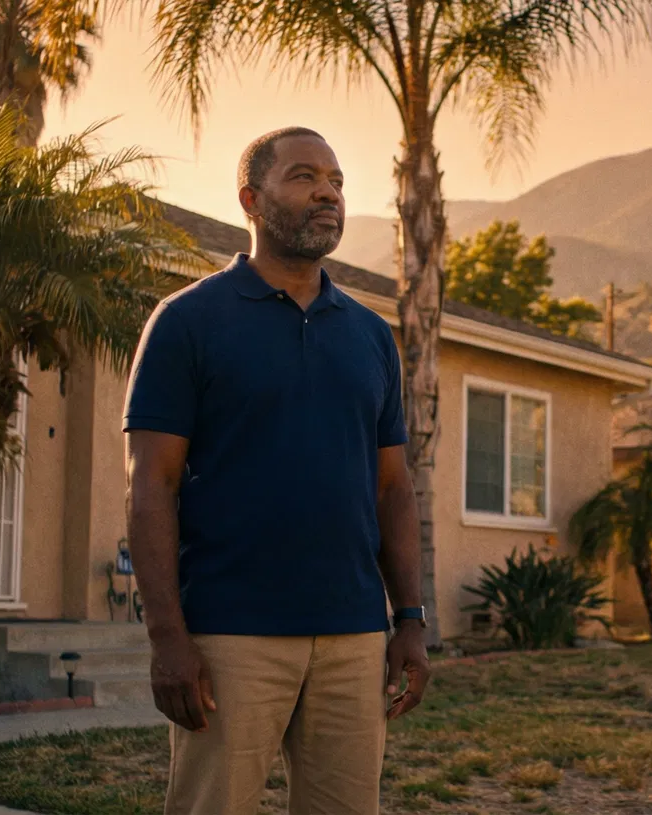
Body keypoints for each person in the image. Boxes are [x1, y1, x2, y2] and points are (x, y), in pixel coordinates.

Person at [124, 126, 431, 815]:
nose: (327, 190)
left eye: (337, 180)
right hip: (231, 633)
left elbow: (392, 489)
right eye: (303, 176)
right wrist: (167, 637)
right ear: (251, 200)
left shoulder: (369, 336)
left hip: (354, 635)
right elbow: (151, 486)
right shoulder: (187, 322)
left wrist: (408, 618)